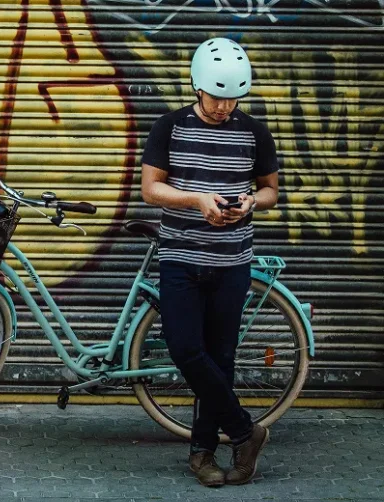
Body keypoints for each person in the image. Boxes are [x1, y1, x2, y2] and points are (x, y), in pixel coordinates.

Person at [140, 37, 279, 487]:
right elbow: (151, 189)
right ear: (196, 86)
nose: (223, 106)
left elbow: (270, 191)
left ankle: (203, 454)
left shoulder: (255, 132)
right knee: (184, 349)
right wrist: (197, 199)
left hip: (232, 261)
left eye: (232, 98)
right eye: (216, 96)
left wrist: (251, 203)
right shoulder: (169, 127)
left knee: (221, 358)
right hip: (180, 257)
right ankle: (245, 431)